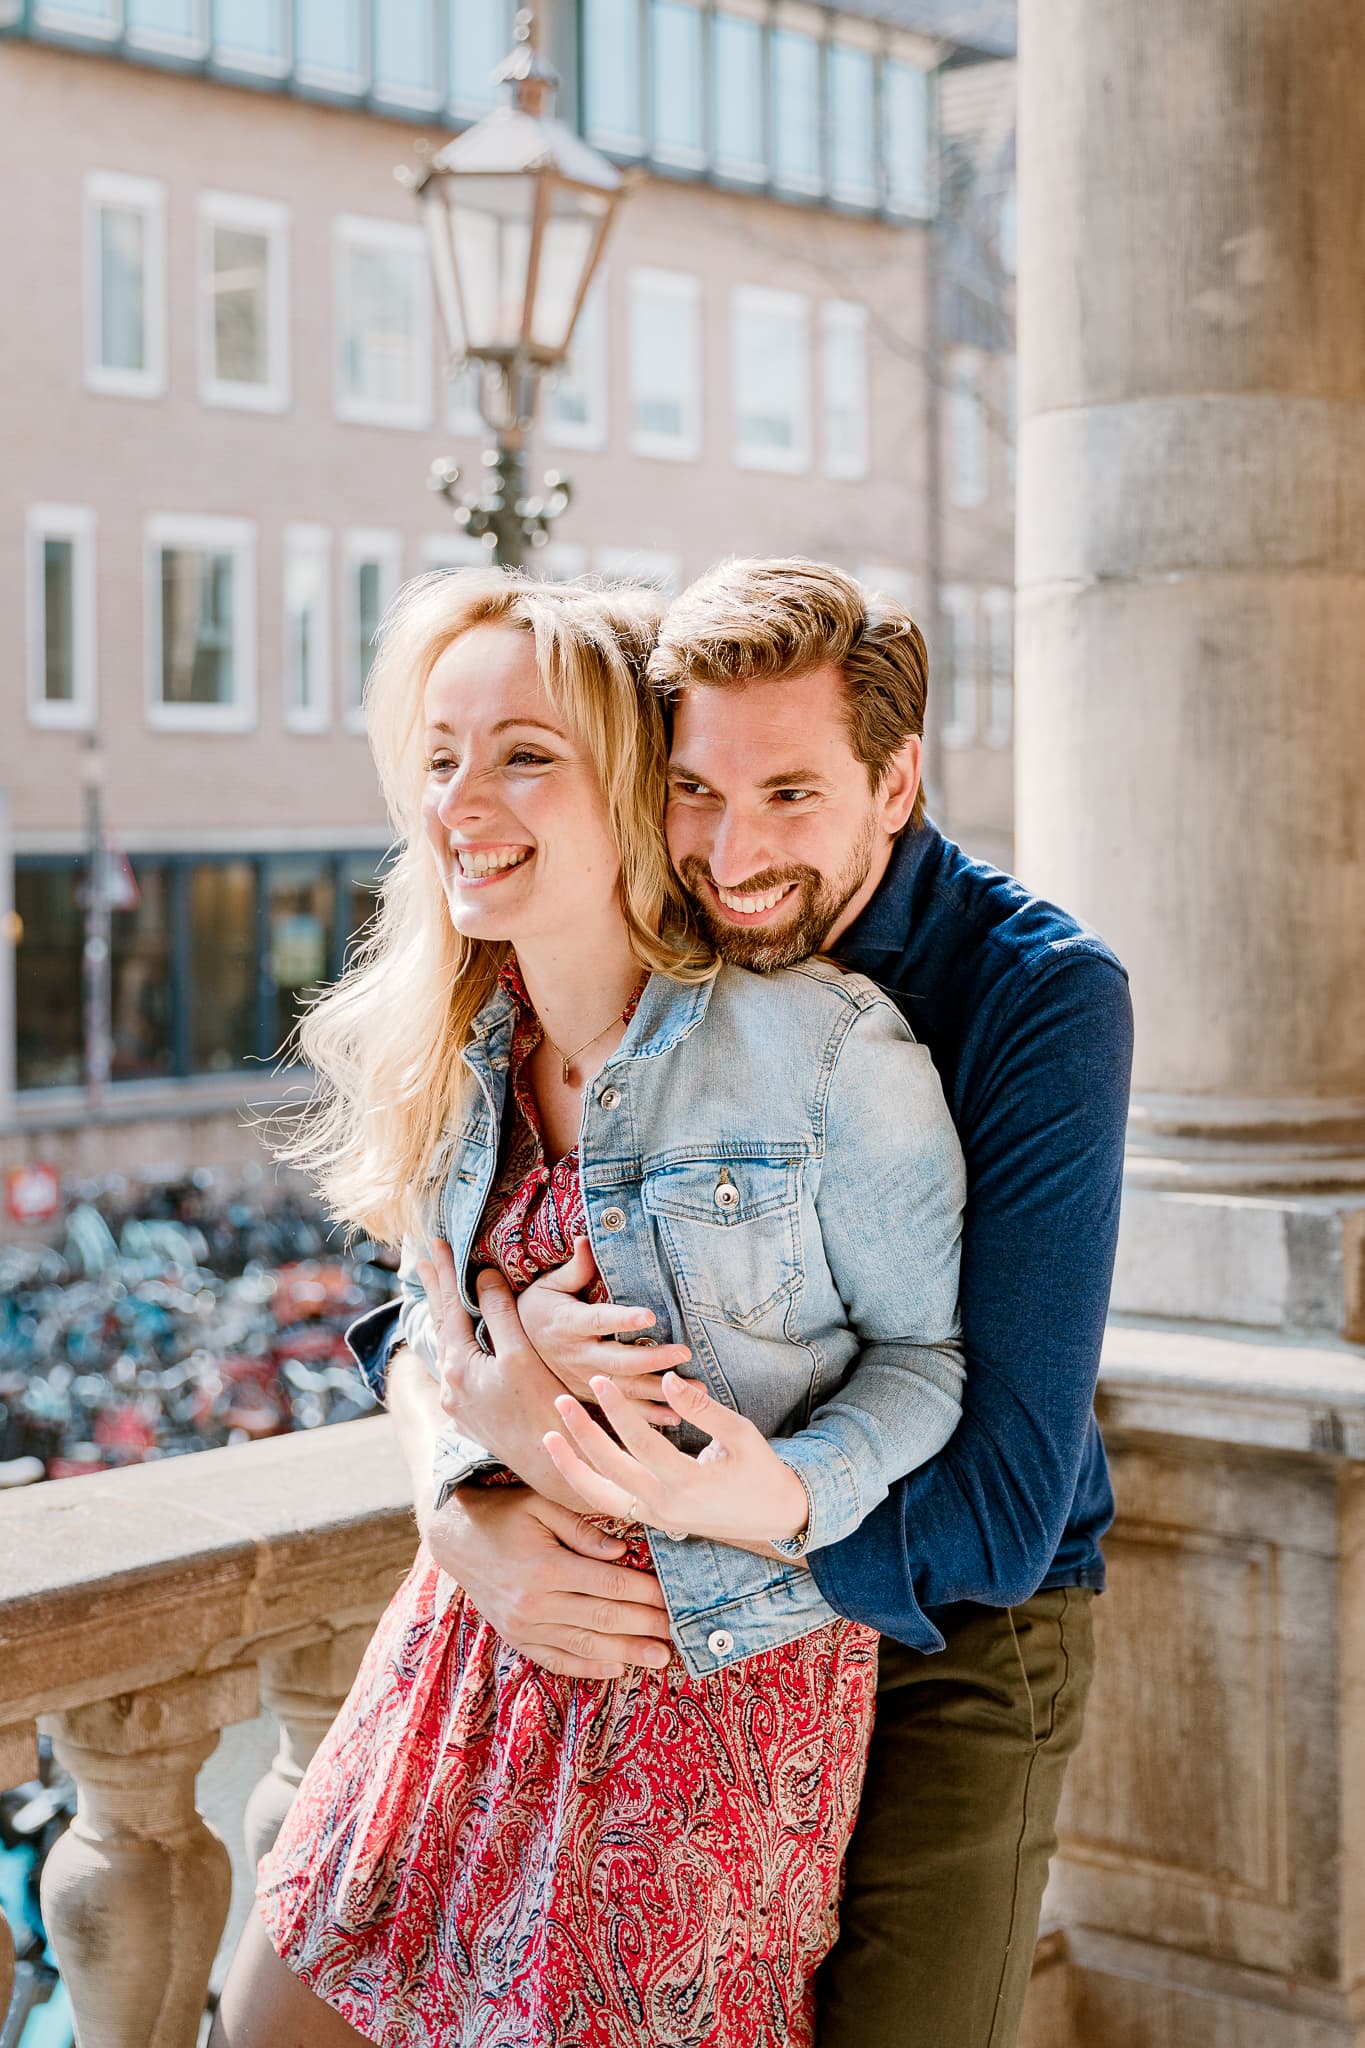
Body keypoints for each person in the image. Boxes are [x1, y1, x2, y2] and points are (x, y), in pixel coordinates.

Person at [363, 559, 1135, 2048]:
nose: (731, 852)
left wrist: (693, 1558)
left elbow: (999, 1497)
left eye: (791, 795)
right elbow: (416, 1276)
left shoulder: (1036, 994)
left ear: (895, 780)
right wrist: (465, 1483)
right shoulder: (670, 936)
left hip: (959, 1617)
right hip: (684, 1620)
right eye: (696, 792)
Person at [212, 567, 968, 2047]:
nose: (460, 801)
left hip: (698, 1694)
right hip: (468, 1642)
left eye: (521, 754)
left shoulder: (820, 1054)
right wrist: (459, 1463)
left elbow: (929, 1360)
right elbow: (424, 1328)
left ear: (627, 781)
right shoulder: (451, 1048)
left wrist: (789, 1490)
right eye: (438, 756)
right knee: (262, 2020)